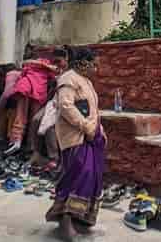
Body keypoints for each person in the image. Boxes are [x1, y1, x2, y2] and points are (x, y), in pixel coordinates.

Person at [46, 47, 105, 240]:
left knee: (92, 176)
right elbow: (66, 106)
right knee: (78, 176)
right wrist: (86, 127)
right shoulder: (68, 79)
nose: (96, 69)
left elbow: (93, 109)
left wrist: (99, 131)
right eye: (94, 65)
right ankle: (65, 221)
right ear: (83, 63)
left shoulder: (86, 81)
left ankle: (81, 217)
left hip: (91, 136)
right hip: (75, 136)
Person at [3, 50, 59, 155]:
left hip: (24, 87)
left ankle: (17, 140)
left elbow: (23, 72)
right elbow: (55, 75)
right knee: (34, 119)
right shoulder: (47, 66)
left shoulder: (28, 65)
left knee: (21, 115)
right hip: (38, 91)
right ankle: (31, 146)